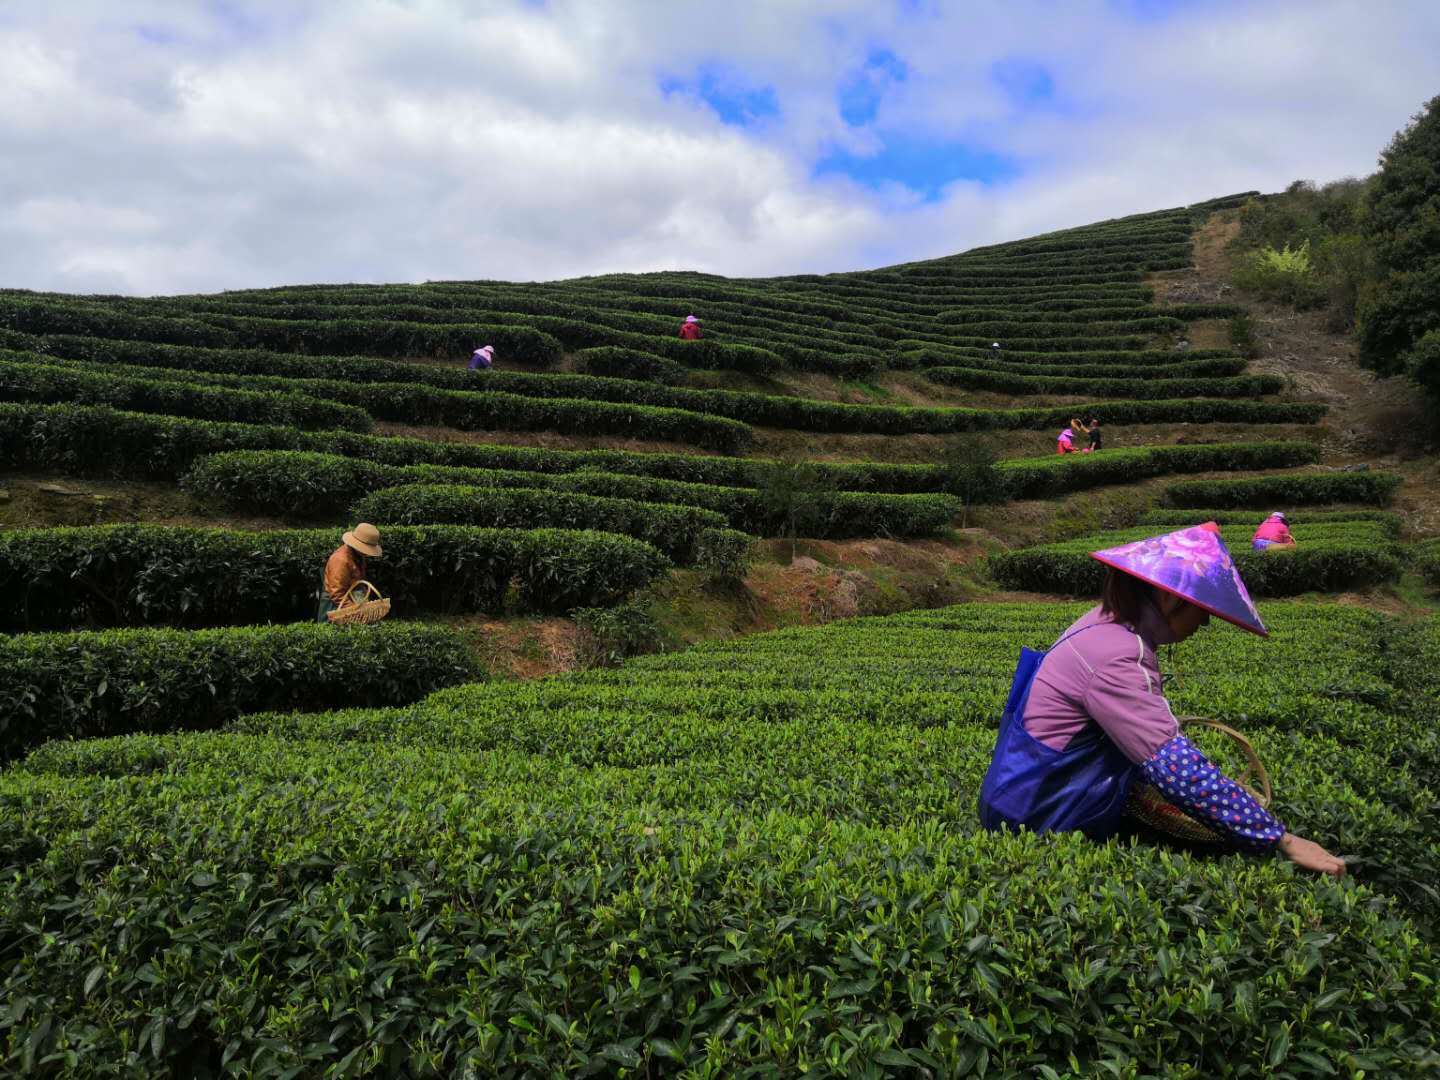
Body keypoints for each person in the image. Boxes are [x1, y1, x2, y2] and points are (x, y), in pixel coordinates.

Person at [978, 523, 1345, 877]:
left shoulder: (1104, 622)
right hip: (1039, 817)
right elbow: (1172, 765)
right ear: (1171, 597)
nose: (1203, 624)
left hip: (1019, 796)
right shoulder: (1117, 654)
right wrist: (1281, 839)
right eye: (1203, 610)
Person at [317, 523, 383, 623]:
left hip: (351, 599)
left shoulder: (359, 556)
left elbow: (359, 582)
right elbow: (336, 593)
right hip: (335, 605)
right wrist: (355, 611)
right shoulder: (340, 560)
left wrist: (364, 603)